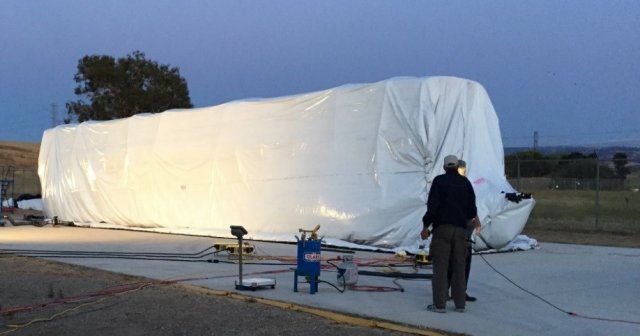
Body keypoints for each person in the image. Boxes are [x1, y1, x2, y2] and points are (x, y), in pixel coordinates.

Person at [421, 155, 477, 313]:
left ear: (445, 167)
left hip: (442, 230)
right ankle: (460, 305)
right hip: (460, 231)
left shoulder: (439, 182)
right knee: (459, 267)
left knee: (441, 267)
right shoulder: (465, 183)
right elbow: (472, 210)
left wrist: (426, 226)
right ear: (458, 166)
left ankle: (440, 305)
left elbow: (432, 207)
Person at [448, 159, 480, 302]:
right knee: (452, 263)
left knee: (463, 263)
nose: (463, 172)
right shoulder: (454, 184)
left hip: (464, 230)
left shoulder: (465, 184)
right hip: (456, 229)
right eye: (461, 169)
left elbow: (471, 206)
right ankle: (448, 290)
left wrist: (475, 219)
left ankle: (460, 291)